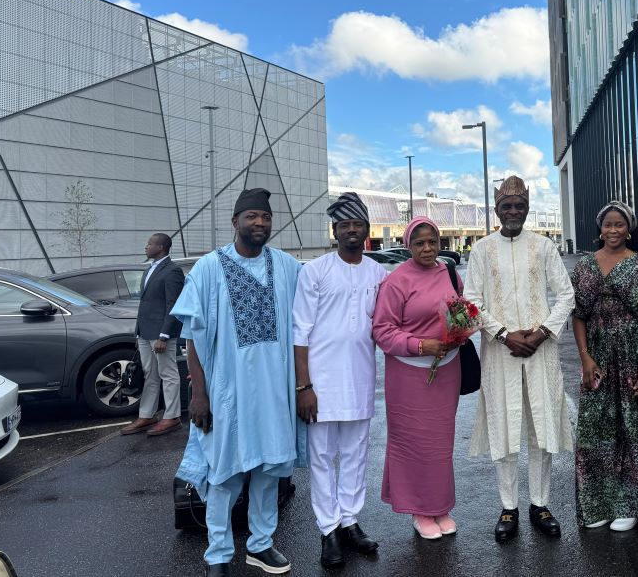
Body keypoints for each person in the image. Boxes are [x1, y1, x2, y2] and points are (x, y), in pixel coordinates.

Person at [174, 188, 304, 577]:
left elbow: (316, 310)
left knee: (268, 470)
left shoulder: (285, 266)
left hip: (274, 392)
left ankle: (261, 545)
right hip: (227, 393)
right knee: (225, 474)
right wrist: (199, 393)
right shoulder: (209, 268)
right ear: (235, 222)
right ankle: (217, 553)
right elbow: (191, 335)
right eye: (251, 216)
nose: (259, 223)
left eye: (265, 217)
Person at [464, 175, 576, 543]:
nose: (513, 211)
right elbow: (472, 301)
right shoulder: (481, 250)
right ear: (496, 209)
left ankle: (540, 503)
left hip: (540, 349)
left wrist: (542, 332)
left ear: (527, 208)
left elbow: (566, 295)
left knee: (541, 427)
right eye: (506, 206)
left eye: (519, 205)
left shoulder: (544, 247)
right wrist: (503, 334)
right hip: (500, 352)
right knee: (505, 427)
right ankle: (508, 505)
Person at [293, 192, 388, 568]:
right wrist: (304, 387)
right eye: (344, 224)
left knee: (355, 455)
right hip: (320, 384)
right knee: (321, 457)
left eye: (358, 224)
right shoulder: (315, 271)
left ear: (367, 230)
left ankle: (350, 521)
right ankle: (328, 528)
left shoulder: (378, 272)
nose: (351, 230)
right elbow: (300, 333)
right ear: (335, 231)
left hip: (361, 380)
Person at [571, 201, 638, 534]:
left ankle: (631, 504)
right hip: (598, 356)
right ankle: (598, 502)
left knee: (633, 431)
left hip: (634, 356)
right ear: (599, 229)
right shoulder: (585, 266)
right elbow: (579, 315)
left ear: (629, 229)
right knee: (595, 431)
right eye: (608, 225)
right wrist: (585, 356)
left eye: (620, 225)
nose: (613, 231)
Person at [371, 216, 462, 540]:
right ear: (408, 245)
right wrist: (421, 344)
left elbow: (460, 307)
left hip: (447, 370)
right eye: (419, 242)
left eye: (432, 241)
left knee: (440, 445)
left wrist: (460, 330)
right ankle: (419, 510)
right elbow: (382, 330)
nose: (427, 248)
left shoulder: (447, 271)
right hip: (409, 375)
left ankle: (440, 506)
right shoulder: (397, 281)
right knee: (414, 444)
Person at [121, 232, 185, 437]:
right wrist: (138, 332)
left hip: (161, 334)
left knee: (168, 374)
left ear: (161, 248)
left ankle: (172, 417)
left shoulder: (173, 271)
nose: (145, 247)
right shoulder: (150, 269)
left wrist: (164, 335)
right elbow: (147, 303)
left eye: (149, 244)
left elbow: (173, 305)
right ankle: (147, 415)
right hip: (145, 332)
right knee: (150, 374)